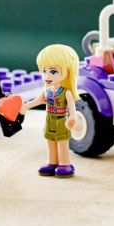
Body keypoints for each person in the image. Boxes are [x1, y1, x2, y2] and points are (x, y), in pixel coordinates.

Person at [21, 44, 80, 178]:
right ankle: (52, 162)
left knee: (62, 143)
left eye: (53, 72)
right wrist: (25, 106)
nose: (47, 75)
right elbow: (38, 100)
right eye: (44, 71)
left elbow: (72, 108)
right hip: (49, 120)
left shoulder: (66, 92)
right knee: (50, 142)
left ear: (67, 71)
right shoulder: (46, 90)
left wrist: (73, 118)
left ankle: (65, 163)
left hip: (61, 121)